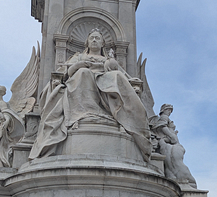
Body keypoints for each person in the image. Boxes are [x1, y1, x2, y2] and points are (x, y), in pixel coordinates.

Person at [29, 29, 152, 162]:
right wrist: (79, 65)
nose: (94, 40)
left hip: (105, 81)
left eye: (97, 38)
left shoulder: (108, 59)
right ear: (87, 42)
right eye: (92, 38)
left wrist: (117, 69)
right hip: (82, 80)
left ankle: (119, 118)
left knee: (116, 76)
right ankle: (82, 115)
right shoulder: (78, 57)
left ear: (103, 43)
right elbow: (65, 72)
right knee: (84, 73)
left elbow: (123, 75)